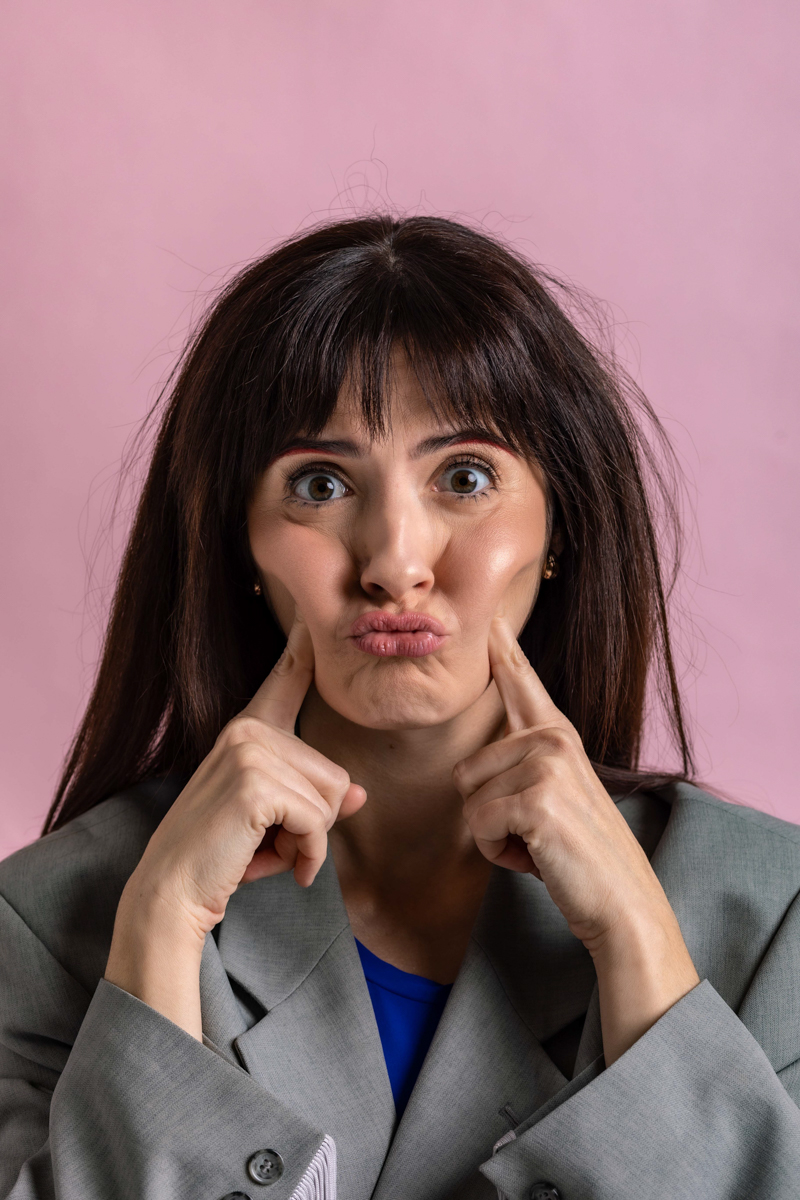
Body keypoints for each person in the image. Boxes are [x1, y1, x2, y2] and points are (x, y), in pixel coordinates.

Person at [1, 215, 799, 1200]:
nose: (393, 562)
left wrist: (641, 947)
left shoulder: (776, 917)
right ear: (239, 543)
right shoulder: (42, 926)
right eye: (319, 484)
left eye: (464, 477)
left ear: (559, 525)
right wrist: (159, 934)